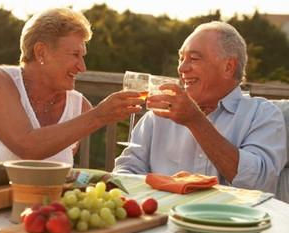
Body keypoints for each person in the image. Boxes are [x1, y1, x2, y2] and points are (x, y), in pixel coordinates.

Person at [0, 8, 144, 166]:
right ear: (41, 52)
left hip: (31, 212)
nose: (82, 67)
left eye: (82, 56)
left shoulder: (79, 108)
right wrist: (99, 116)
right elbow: (27, 147)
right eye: (74, 55)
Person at [114, 21, 287, 194]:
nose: (181, 68)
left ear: (228, 67)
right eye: (181, 58)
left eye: (194, 58)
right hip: (163, 217)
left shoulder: (263, 114)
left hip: (228, 219)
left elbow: (259, 184)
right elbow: (125, 171)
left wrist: (195, 121)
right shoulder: (159, 115)